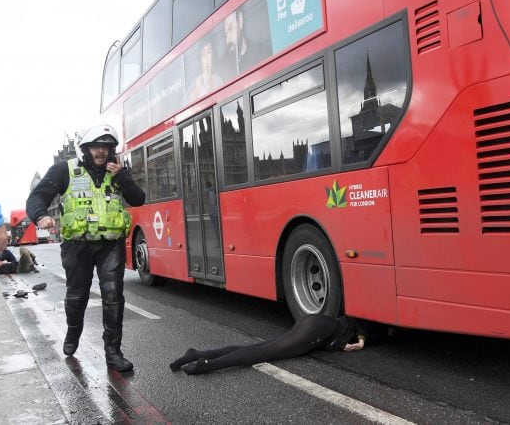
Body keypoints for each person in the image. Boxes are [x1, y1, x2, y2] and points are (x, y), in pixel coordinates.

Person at [26, 123, 145, 372]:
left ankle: (113, 351)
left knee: (113, 294)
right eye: (96, 147)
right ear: (85, 148)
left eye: (106, 147)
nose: (101, 151)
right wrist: (40, 217)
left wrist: (122, 177)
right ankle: (73, 332)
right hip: (77, 246)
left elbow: (138, 199)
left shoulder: (118, 172)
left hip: (110, 244)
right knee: (77, 295)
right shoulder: (64, 170)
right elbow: (37, 197)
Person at [170, 314, 368, 375]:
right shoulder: (362, 329)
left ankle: (196, 354)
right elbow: (362, 326)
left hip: (313, 324)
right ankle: (207, 366)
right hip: (318, 329)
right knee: (265, 352)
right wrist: (360, 342)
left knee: (260, 348)